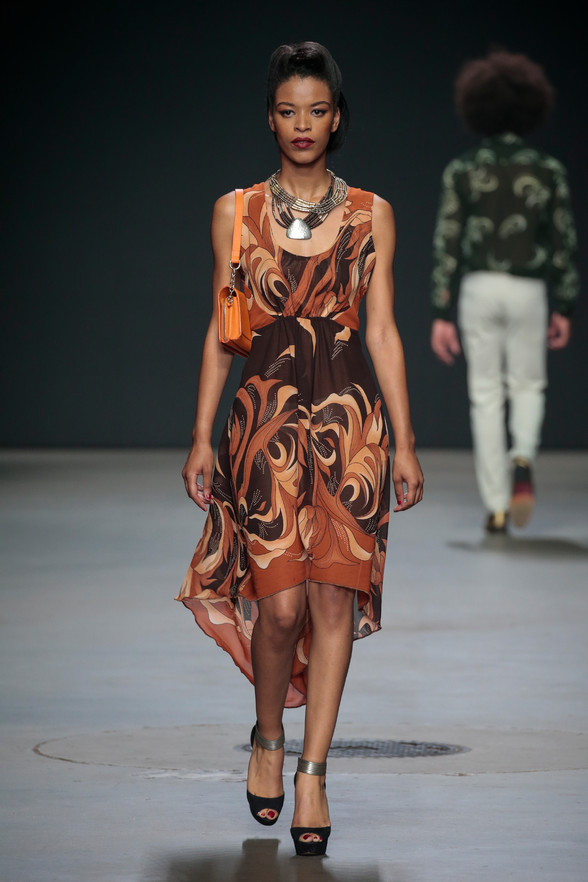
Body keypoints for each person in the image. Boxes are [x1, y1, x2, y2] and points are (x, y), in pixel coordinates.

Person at [177, 41, 423, 856]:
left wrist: (406, 443)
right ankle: (267, 737)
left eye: (317, 110)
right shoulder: (236, 211)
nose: (303, 124)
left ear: (337, 118)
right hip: (265, 426)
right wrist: (200, 437)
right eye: (289, 111)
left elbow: (383, 331)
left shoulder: (372, 213)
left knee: (333, 605)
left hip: (352, 427)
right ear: (271, 119)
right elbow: (223, 330)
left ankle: (313, 771)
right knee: (279, 608)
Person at [430, 50, 579, 534]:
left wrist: (440, 311)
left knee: (485, 395)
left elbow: (448, 240)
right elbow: (562, 241)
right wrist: (566, 304)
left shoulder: (462, 170)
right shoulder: (548, 170)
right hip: (529, 290)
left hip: (477, 288)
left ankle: (496, 505)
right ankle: (522, 457)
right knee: (528, 384)